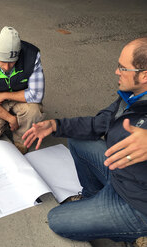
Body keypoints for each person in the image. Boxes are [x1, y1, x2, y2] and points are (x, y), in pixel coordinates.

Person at [22, 37, 147, 245]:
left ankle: (134, 233)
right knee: (79, 140)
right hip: (119, 174)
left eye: (122, 68)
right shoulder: (132, 95)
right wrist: (56, 126)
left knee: (57, 220)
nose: (116, 72)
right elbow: (99, 123)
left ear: (144, 75)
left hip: (136, 203)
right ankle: (92, 197)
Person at [0, 26, 45, 154]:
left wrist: (4, 94)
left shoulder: (32, 56)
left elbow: (36, 94)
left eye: (12, 62)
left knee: (34, 111)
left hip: (21, 100)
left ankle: (20, 139)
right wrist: (10, 118)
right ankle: (12, 120)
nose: (7, 67)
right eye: (2, 62)